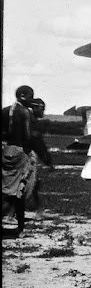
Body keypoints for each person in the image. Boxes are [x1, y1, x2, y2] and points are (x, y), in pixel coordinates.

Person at [2, 86, 52, 235]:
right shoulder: (25, 113)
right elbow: (28, 137)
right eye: (31, 97)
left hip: (6, 151)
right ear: (23, 96)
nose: (32, 100)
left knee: (7, 189)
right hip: (21, 153)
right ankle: (20, 227)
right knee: (20, 191)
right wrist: (44, 157)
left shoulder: (5, 110)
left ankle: (13, 218)